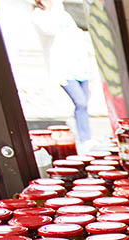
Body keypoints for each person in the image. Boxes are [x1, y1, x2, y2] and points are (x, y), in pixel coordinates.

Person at [30, 0, 95, 143]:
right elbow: (49, 30)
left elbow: (76, 34)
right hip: (64, 69)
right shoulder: (39, 15)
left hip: (80, 65)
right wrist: (52, 10)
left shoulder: (63, 14)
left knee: (84, 104)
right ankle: (84, 137)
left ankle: (86, 137)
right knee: (80, 102)